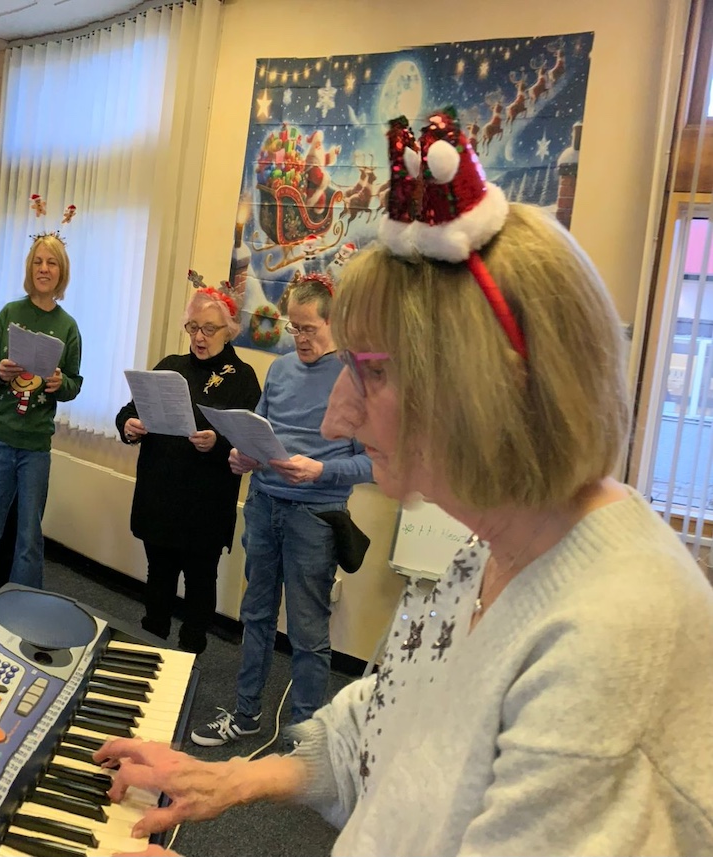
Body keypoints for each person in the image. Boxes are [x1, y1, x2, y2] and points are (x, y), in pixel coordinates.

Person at [95, 112, 713, 855]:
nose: (336, 418)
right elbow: (381, 727)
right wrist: (235, 780)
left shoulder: (614, 651)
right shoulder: (485, 552)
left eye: (372, 372)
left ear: (481, 385)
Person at [189, 272, 372, 748]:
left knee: (309, 633)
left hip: (314, 515)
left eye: (310, 328)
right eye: (295, 328)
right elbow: (262, 431)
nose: (301, 338)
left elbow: (374, 463)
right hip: (265, 504)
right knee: (256, 615)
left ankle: (306, 737)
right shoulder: (281, 370)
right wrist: (242, 455)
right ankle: (247, 713)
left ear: (335, 324)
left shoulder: (357, 378)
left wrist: (321, 472)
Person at [115, 288, 260, 654]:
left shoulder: (242, 378)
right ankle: (151, 646)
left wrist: (219, 443)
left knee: (200, 583)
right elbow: (129, 409)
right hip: (160, 496)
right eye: (193, 327)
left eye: (209, 329)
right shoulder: (170, 366)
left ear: (229, 330)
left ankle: (192, 652)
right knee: (158, 579)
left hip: (205, 506)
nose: (199, 337)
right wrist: (129, 424)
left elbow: (251, 444)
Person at [0, 234, 83, 609]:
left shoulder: (68, 326)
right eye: (38, 262)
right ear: (30, 268)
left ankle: (24, 617)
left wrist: (61, 384)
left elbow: (74, 382)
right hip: (0, 440)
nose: (44, 269)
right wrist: (0, 370)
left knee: (28, 541)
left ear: (61, 272)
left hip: (36, 447)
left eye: (52, 263)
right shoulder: (10, 313)